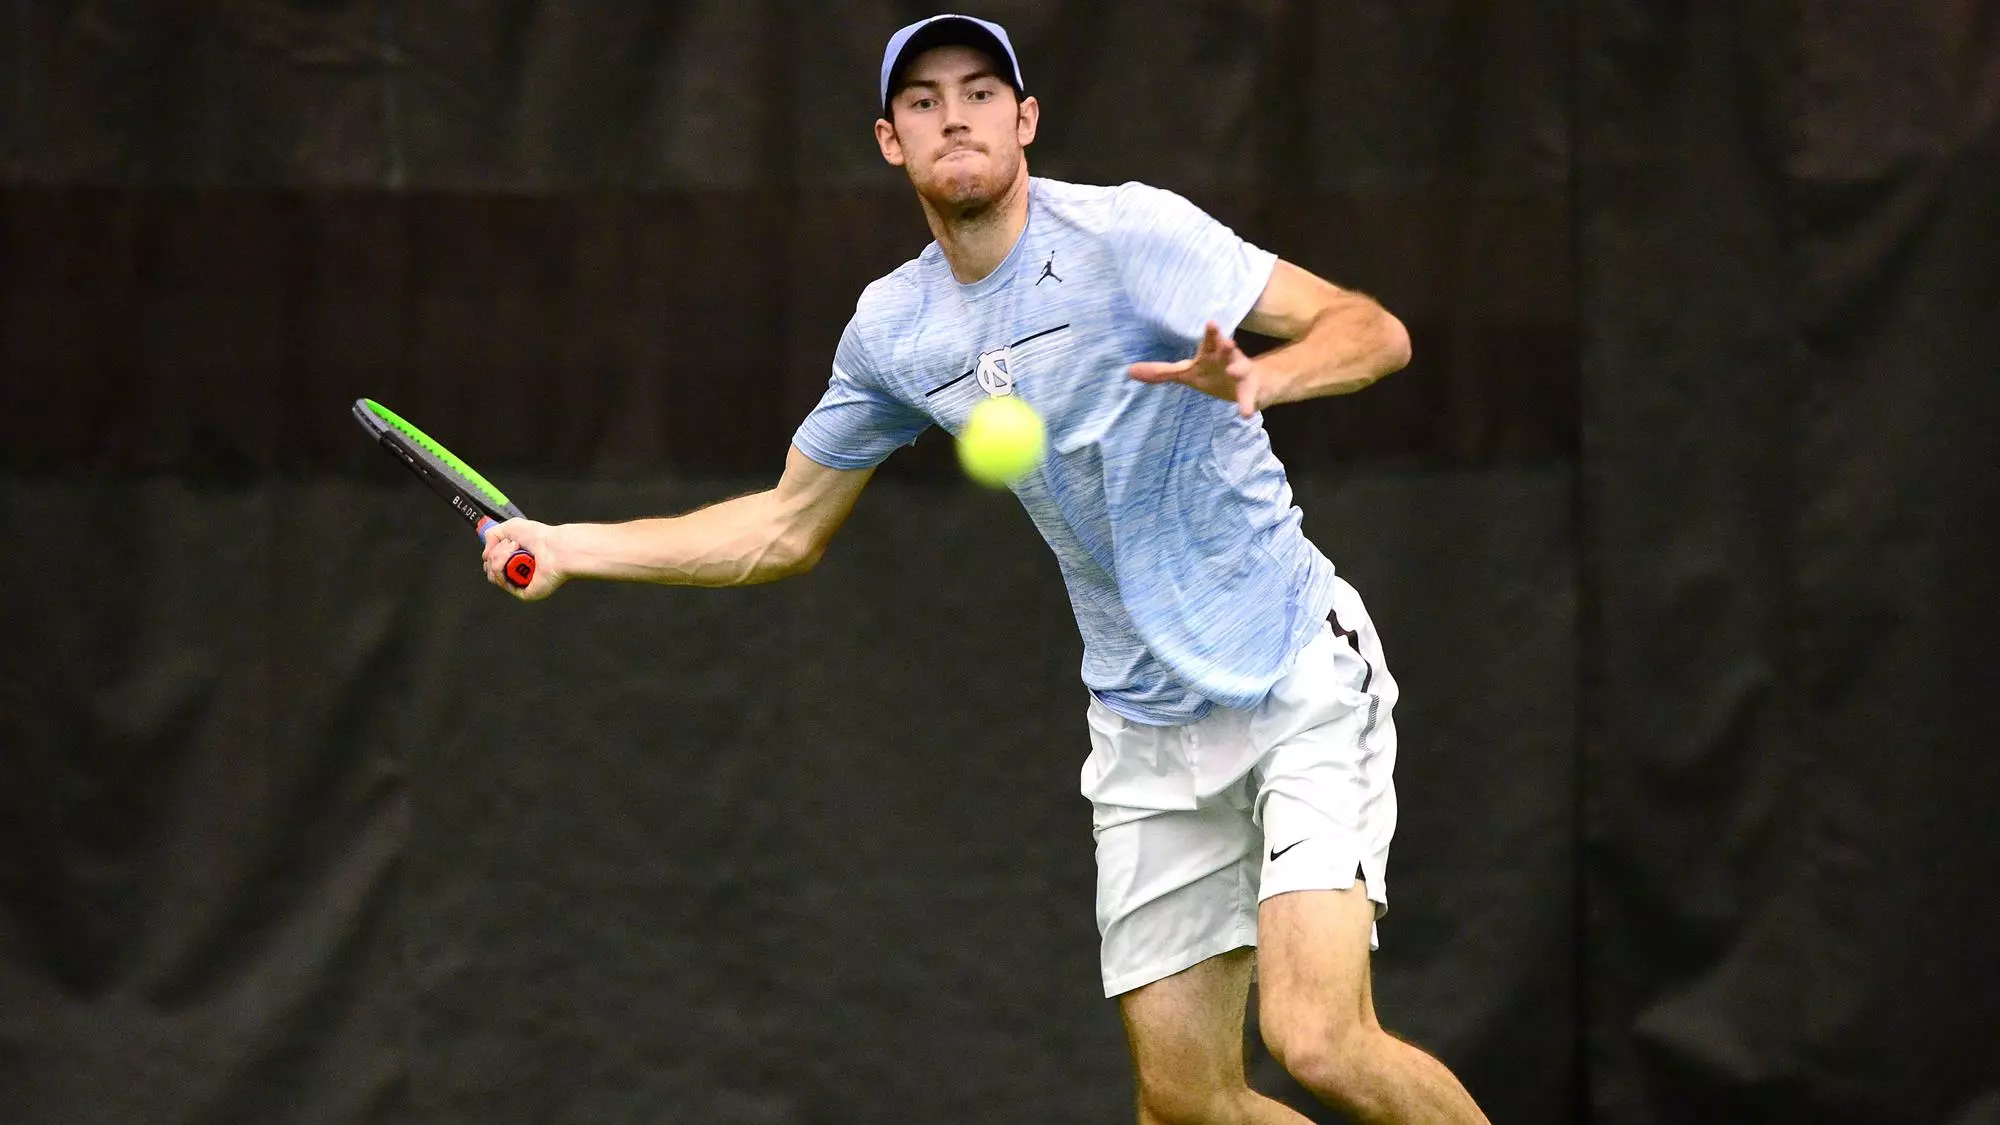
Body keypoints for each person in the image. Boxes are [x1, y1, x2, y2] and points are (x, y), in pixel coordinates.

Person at [482, 14, 1489, 1125]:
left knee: (1317, 1038)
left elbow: (1371, 330)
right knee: (1185, 1101)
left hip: (1291, 667)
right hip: (1143, 722)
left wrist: (1264, 379)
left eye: (976, 90)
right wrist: (571, 547)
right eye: (921, 100)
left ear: (1025, 119)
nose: (951, 112)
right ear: (888, 141)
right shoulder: (894, 329)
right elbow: (782, 527)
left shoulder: (1130, 235)